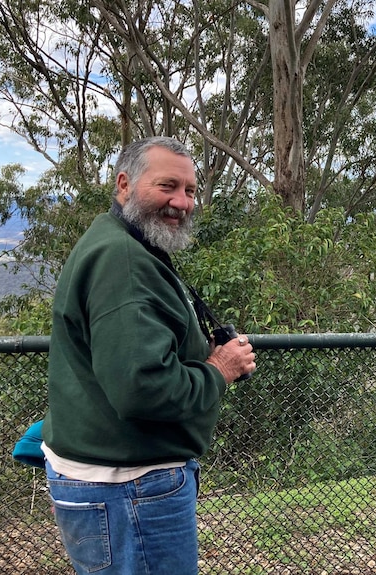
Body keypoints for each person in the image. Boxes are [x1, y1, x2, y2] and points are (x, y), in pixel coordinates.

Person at [41, 136, 256, 574]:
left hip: (116, 482)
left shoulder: (122, 243)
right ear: (124, 184)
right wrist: (219, 369)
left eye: (191, 190)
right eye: (167, 186)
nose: (182, 202)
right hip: (130, 490)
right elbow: (142, 388)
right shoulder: (123, 260)